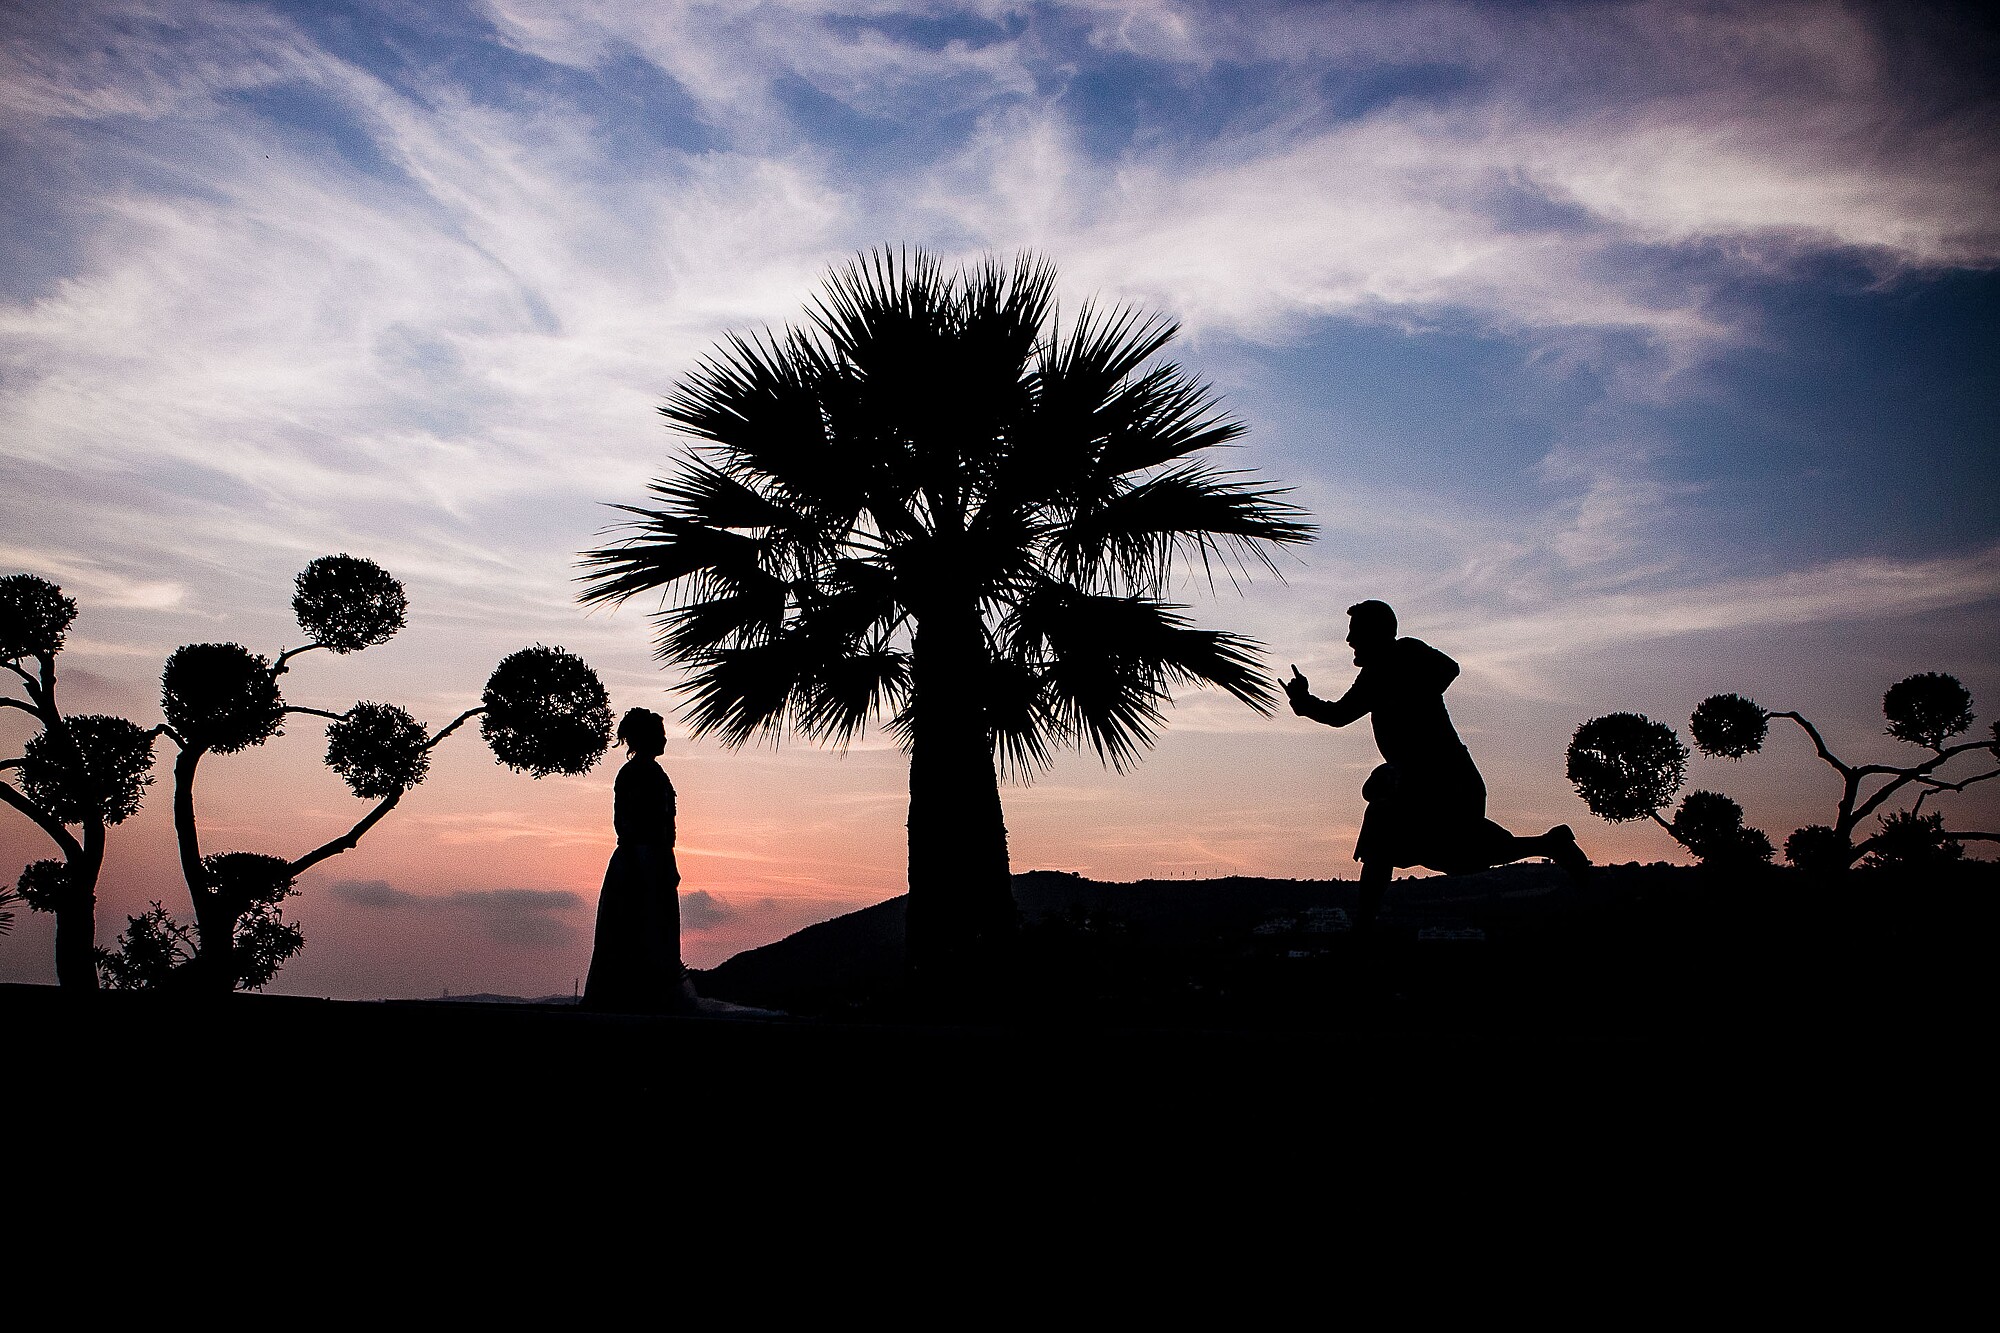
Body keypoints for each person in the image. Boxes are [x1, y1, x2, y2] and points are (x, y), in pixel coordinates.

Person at [1286, 600, 1590, 931]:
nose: (1349, 641)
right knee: (1442, 851)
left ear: (1375, 634)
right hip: (1423, 784)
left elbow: (1448, 669)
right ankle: (1549, 843)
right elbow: (1339, 714)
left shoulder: (1400, 659)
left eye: (1355, 632)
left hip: (1448, 782)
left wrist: (1406, 690)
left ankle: (1364, 925)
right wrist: (1303, 702)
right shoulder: (1376, 674)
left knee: (1402, 835)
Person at [583, 707, 697, 1013]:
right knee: (638, 927)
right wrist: (650, 859)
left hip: (651, 859)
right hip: (640, 861)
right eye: (659, 733)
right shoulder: (636, 774)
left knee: (652, 928)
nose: (664, 739)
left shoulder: (648, 773)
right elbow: (630, 823)